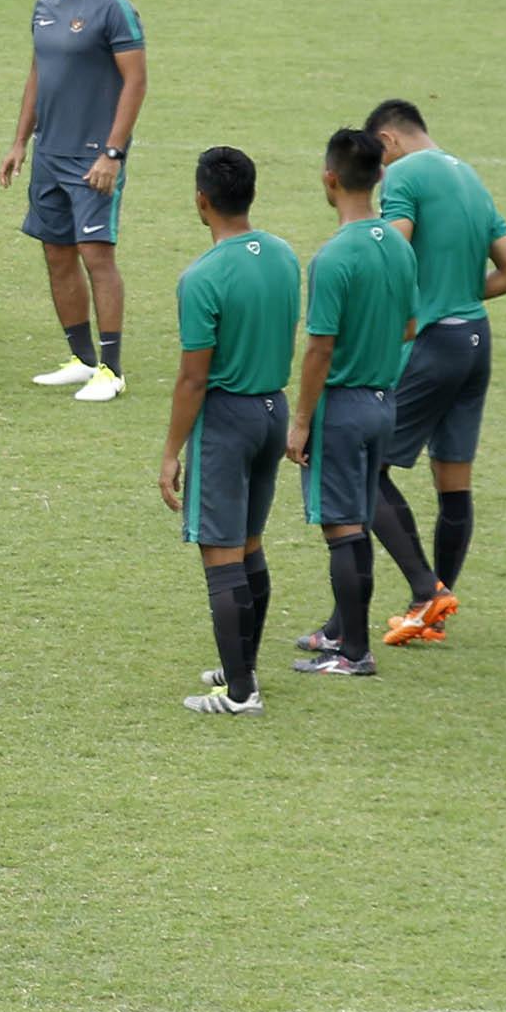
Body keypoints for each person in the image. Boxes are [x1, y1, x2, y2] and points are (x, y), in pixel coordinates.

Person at [366, 99, 506, 647]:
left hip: (435, 345)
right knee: (453, 480)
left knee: (366, 466)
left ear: (387, 142)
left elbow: (393, 251)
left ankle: (424, 592)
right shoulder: (471, 177)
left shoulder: (406, 175)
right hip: (476, 341)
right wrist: (457, 290)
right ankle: (435, 607)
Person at [159, 148, 299, 716]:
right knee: (250, 544)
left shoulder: (202, 277)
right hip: (274, 411)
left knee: (220, 554)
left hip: (228, 420)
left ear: (201, 200)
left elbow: (194, 379)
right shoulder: (286, 255)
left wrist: (171, 451)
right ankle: (242, 662)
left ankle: (240, 692)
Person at [276, 130, 415, 680]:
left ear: (329, 179)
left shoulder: (333, 258)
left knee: (342, 528)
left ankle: (353, 651)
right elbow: (410, 323)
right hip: (384, 403)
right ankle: (344, 637)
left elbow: (320, 348)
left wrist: (301, 421)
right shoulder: (398, 245)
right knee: (358, 519)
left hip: (343, 406)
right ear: (379, 176)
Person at [2, 0, 147, 402]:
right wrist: (21, 140)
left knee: (96, 256)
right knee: (56, 252)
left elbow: (136, 81)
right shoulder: (44, 5)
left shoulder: (112, 8)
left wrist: (113, 152)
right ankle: (82, 359)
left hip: (92, 159)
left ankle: (112, 368)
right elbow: (38, 74)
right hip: (49, 154)